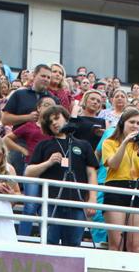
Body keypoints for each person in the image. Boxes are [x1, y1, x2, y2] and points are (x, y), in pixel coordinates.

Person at [25, 104, 98, 246]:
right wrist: (48, 163)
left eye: (57, 118)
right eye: (50, 122)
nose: (54, 123)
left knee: (73, 244)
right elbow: (28, 172)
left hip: (77, 203)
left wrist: (92, 199)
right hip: (51, 203)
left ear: (66, 118)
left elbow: (91, 173)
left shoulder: (84, 145)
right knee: (49, 242)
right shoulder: (43, 145)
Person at [102, 108, 139, 252]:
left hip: (136, 187)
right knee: (117, 243)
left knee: (135, 244)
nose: (135, 126)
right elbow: (113, 164)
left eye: (138, 123)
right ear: (122, 123)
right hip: (116, 188)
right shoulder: (109, 142)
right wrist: (125, 142)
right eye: (131, 122)